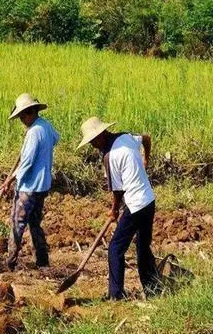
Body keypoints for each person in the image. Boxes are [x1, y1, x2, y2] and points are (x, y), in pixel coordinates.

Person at [77, 116, 159, 300]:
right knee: (143, 247)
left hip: (136, 205)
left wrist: (114, 210)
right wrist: (147, 159)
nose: (93, 145)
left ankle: (116, 295)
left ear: (102, 134)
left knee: (115, 248)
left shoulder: (109, 156)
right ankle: (154, 290)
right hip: (149, 200)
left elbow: (117, 190)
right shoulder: (126, 137)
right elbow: (146, 137)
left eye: (94, 140)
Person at [0, 93, 59, 271]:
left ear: (29, 112)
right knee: (35, 223)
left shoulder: (34, 132)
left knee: (17, 222)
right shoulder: (45, 126)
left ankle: (10, 262)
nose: (21, 120)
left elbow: (26, 163)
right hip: (43, 185)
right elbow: (56, 139)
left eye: (22, 116)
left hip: (29, 186)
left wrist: (9, 180)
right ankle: (42, 261)